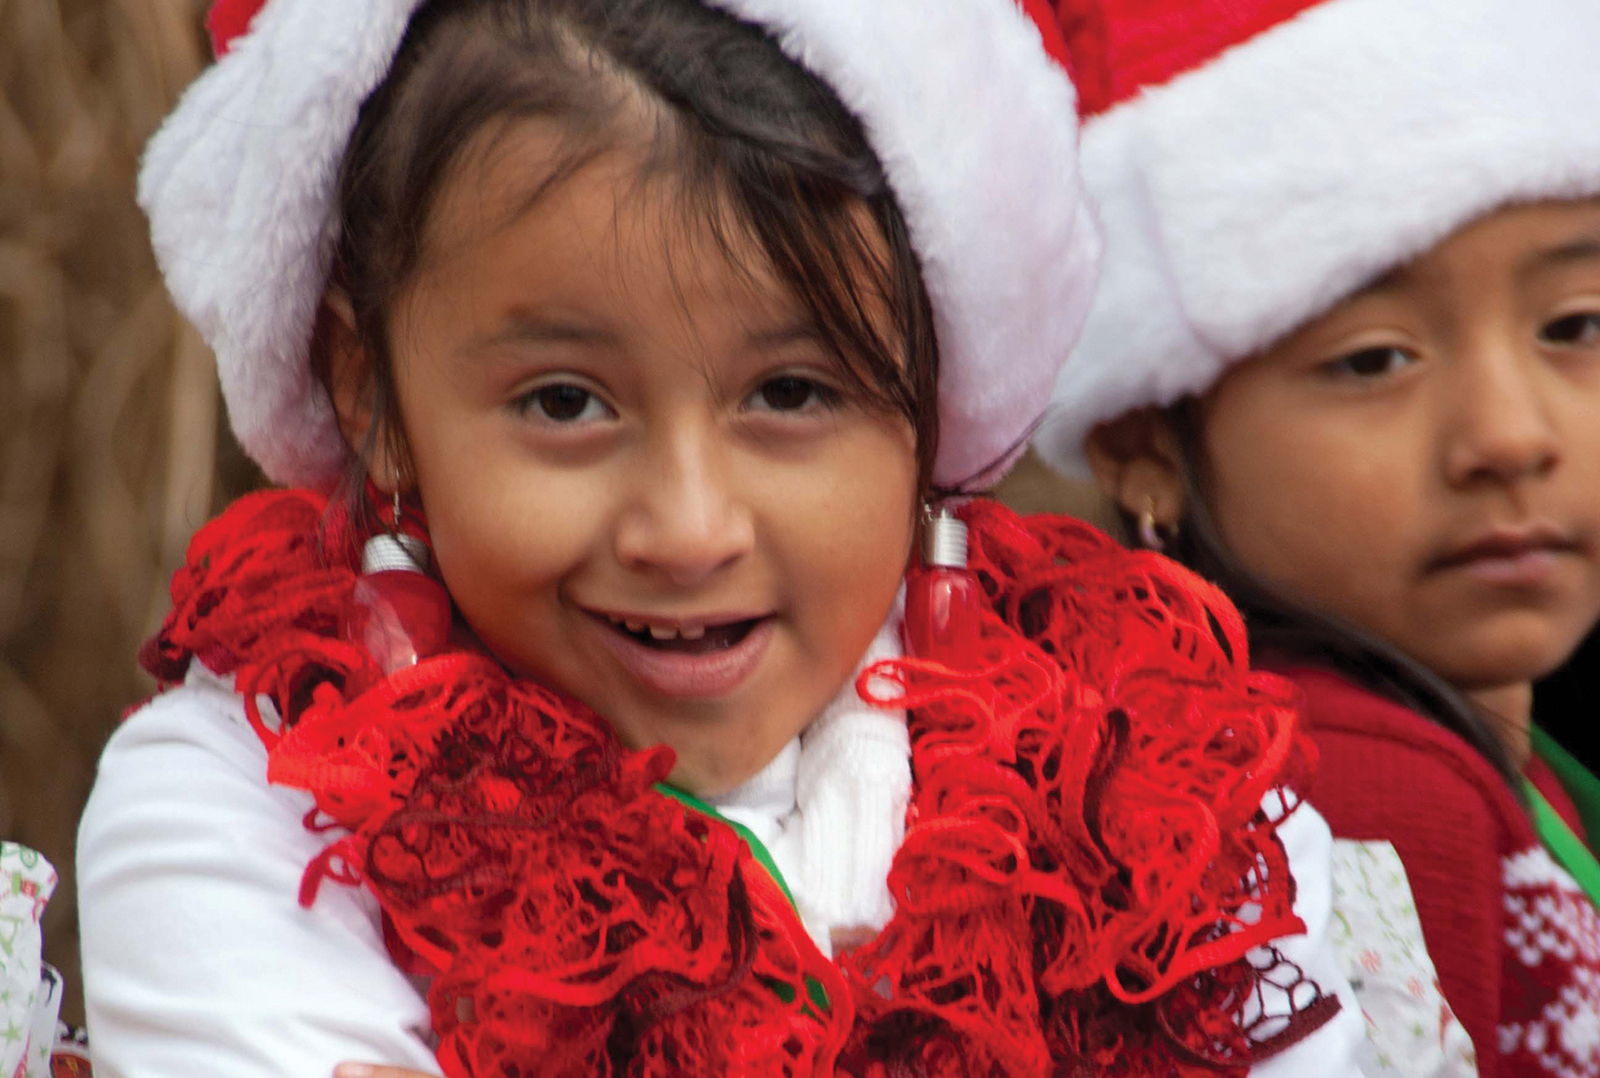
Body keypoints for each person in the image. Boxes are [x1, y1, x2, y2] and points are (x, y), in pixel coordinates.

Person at [77, 1, 1365, 1076]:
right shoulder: (253, 813)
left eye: (790, 393)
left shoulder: (1158, 801)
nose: (688, 529)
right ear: (374, 394)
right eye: (565, 403)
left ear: (934, 390)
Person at [1032, 1, 1600, 1076]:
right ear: (1142, 439)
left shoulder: (1482, 758)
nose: (1510, 437)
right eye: (1374, 359)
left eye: (1575, 326)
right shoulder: (1356, 797)